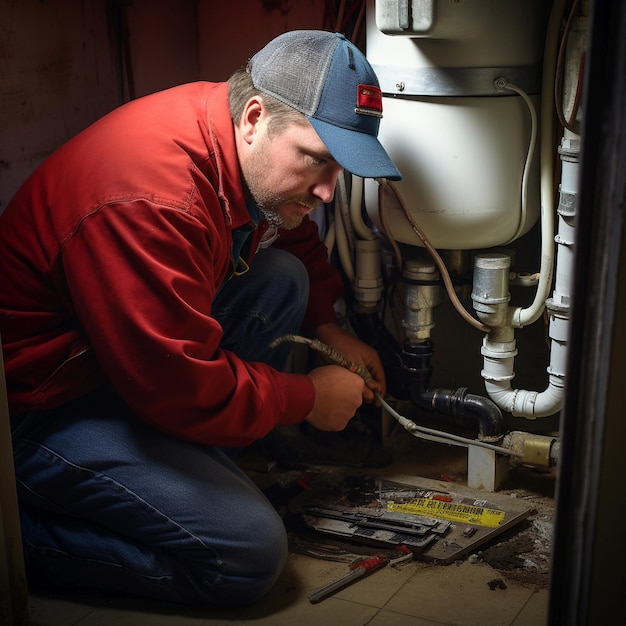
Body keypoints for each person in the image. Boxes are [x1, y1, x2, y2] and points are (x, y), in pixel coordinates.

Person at [0, 30, 401, 607]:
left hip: (113, 364)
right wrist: (307, 397)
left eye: (339, 168)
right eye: (315, 160)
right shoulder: (152, 201)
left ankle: (189, 471)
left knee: (285, 276)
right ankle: (21, 536)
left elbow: (292, 236)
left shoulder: (228, 135)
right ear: (255, 117)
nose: (326, 190)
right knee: (247, 555)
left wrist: (330, 330)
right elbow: (181, 388)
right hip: (40, 408)